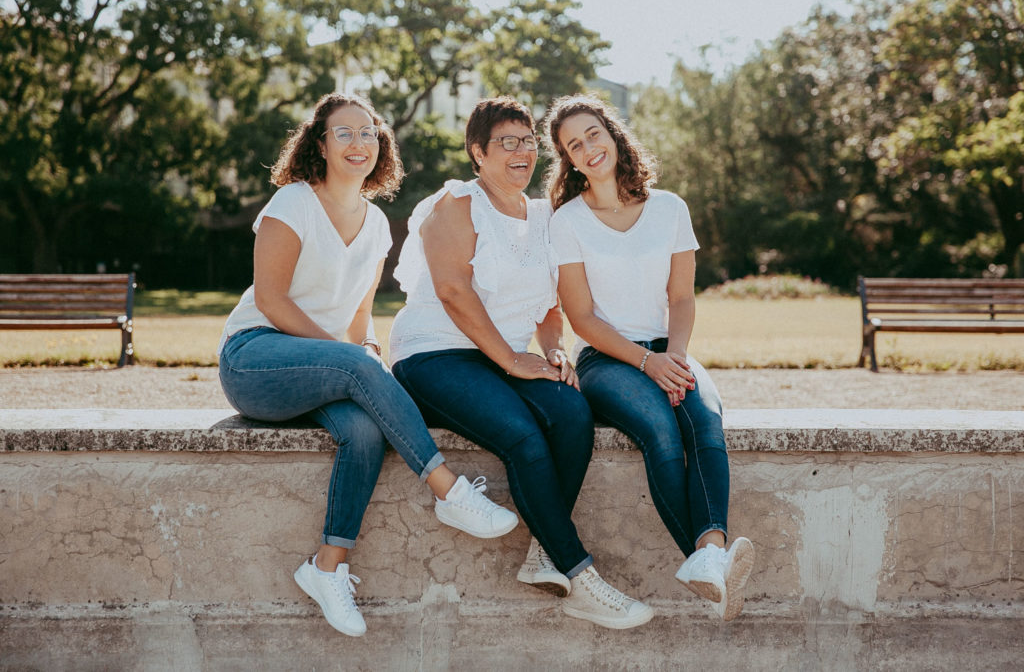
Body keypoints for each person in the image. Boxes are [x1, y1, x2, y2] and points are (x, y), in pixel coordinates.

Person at [217, 92, 519, 638]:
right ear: (320, 144)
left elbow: (359, 316)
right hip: (256, 358)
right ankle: (449, 490)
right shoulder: (292, 203)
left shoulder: (378, 224)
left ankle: (327, 568)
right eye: (344, 133)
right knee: (357, 367)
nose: (359, 143)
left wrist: (368, 352)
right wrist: (352, 358)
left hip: (327, 369)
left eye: (368, 133)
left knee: (363, 433)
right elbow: (272, 300)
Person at [389, 96, 653, 630]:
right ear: (477, 153)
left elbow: (552, 304)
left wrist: (553, 349)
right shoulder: (457, 203)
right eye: (506, 142)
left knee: (572, 411)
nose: (520, 151)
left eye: (528, 141)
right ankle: (581, 579)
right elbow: (452, 290)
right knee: (523, 436)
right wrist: (511, 359)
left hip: (501, 358)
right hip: (435, 353)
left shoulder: (542, 216)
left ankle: (542, 555)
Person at [544, 94, 755, 621]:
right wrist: (647, 363)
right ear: (569, 161)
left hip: (669, 348)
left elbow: (682, 298)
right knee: (660, 429)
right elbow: (583, 319)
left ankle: (709, 554)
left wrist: (675, 357)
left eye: (593, 133)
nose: (588, 147)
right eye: (574, 144)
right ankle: (707, 560)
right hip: (606, 359)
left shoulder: (670, 208)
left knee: (705, 420)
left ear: (612, 134)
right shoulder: (567, 221)